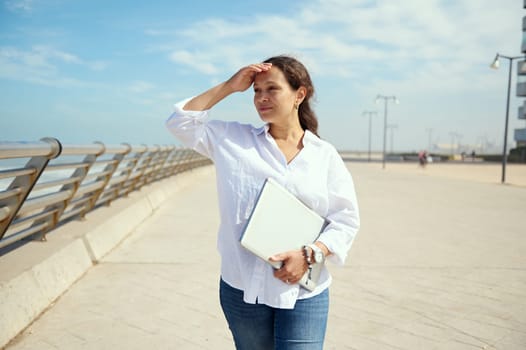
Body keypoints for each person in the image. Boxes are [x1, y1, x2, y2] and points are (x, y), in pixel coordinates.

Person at [165, 55, 360, 349]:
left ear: (300, 94)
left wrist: (310, 254)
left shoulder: (324, 155)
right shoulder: (232, 139)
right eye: (256, 91)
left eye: (272, 89)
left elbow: (346, 219)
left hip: (304, 292)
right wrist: (230, 87)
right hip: (243, 289)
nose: (261, 98)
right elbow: (180, 122)